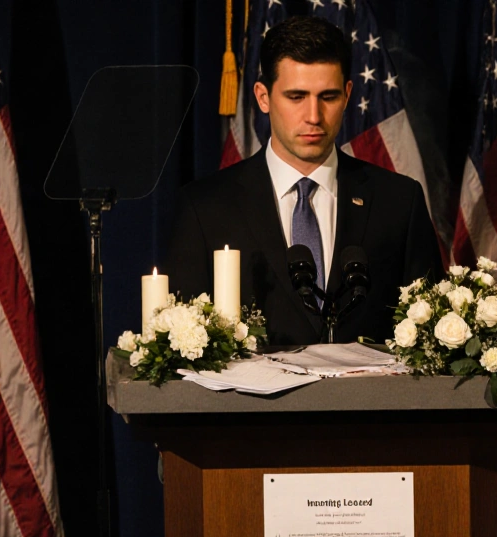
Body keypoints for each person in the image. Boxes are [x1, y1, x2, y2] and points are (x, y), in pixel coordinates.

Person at [164, 15, 442, 345]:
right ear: (263, 97)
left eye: (328, 97)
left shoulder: (399, 201)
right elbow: (183, 346)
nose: (313, 116)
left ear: (348, 94)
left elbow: (430, 341)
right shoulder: (205, 208)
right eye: (296, 97)